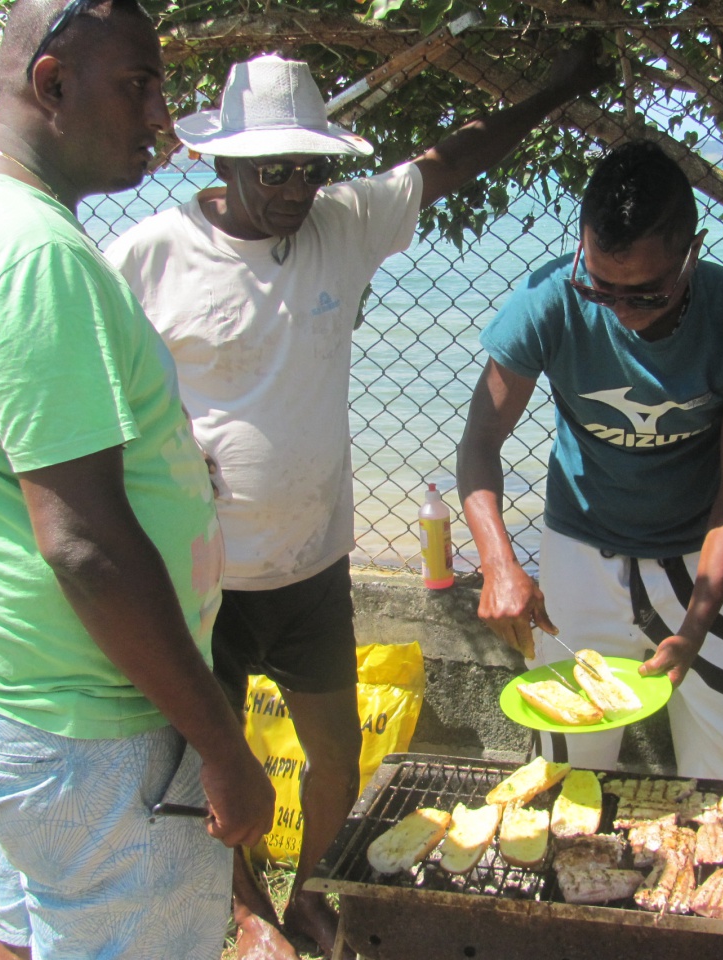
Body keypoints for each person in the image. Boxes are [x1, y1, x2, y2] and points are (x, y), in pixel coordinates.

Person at [106, 46, 609, 959]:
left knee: (337, 755)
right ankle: (249, 909)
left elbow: (455, 160)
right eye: (274, 170)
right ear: (222, 162)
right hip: (202, 575)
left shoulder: (343, 223)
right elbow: (97, 401)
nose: (296, 187)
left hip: (312, 567)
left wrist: (562, 84)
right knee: (210, 769)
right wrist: (165, 460)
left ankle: (304, 900)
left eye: (310, 166)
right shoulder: (146, 257)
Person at [0, 1, 274, 957]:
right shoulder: (35, 261)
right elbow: (84, 541)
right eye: (138, 86)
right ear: (51, 83)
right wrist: (223, 745)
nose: (160, 118)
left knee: (46, 919)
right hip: (85, 723)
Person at [456, 140, 723, 960]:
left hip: (693, 561)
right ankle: (562, 936)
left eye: (646, 293)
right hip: (577, 551)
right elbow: (479, 439)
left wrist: (695, 623)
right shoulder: (549, 297)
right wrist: (500, 561)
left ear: (692, 252)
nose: (619, 309)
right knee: (565, 767)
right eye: (599, 286)